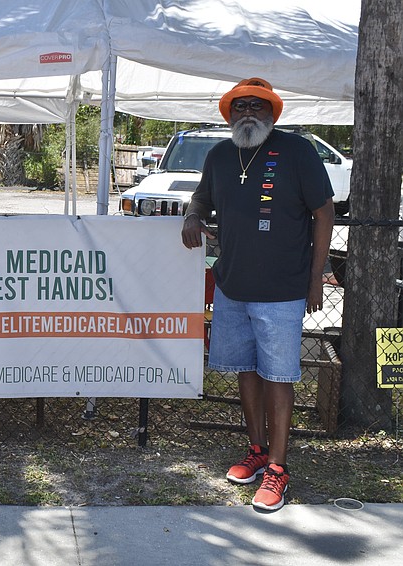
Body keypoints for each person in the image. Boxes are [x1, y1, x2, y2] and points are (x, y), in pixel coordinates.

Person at [181, 78, 335, 511]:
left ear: (272, 113)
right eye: (240, 105)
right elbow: (200, 198)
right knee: (246, 370)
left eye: (258, 105)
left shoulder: (296, 151)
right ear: (229, 113)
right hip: (232, 286)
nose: (248, 112)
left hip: (283, 288)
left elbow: (325, 211)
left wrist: (316, 276)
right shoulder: (218, 155)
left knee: (278, 375)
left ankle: (278, 471)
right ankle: (256, 451)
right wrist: (193, 216)